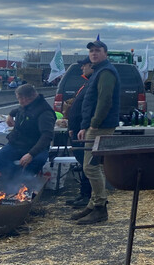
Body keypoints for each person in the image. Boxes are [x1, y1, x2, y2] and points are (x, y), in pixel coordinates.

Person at [71, 40, 120, 225]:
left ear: (105, 53)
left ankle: (100, 208)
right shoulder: (98, 71)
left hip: (100, 126)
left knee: (90, 167)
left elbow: (104, 101)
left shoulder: (106, 72)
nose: (94, 53)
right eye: (91, 51)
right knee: (94, 166)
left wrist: (93, 124)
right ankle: (93, 204)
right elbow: (90, 101)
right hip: (93, 125)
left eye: (97, 50)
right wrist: (84, 125)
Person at [0, 84, 56, 181]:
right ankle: (14, 181)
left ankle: (23, 183)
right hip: (16, 144)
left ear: (25, 98)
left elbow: (47, 136)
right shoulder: (27, 105)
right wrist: (11, 114)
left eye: (19, 98)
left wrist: (31, 154)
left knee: (36, 162)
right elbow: (19, 109)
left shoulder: (45, 113)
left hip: (36, 147)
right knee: (0, 159)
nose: (19, 101)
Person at [65, 57, 94, 208]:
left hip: (82, 130)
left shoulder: (92, 84)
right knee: (83, 163)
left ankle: (87, 195)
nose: (82, 68)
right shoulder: (87, 83)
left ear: (92, 66)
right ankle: (83, 193)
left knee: (86, 163)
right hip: (77, 130)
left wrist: (81, 126)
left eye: (84, 65)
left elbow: (87, 109)